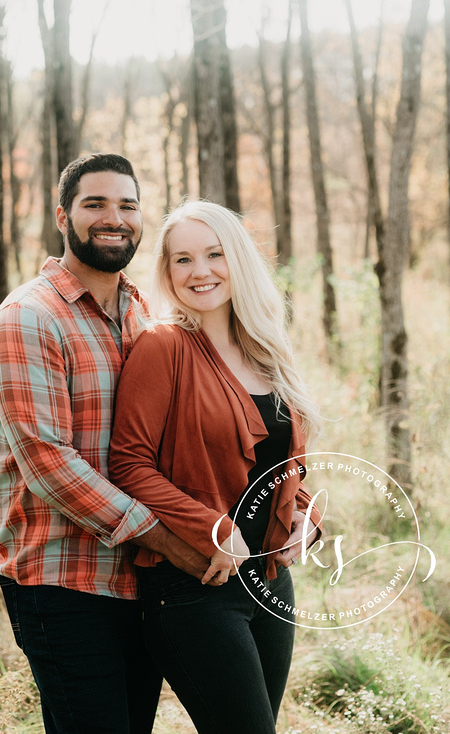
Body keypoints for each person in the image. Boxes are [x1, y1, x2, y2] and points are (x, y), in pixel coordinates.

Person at [0, 153, 209, 734]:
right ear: (63, 216)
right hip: (63, 580)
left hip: (140, 577)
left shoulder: (142, 312)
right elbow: (48, 462)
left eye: (127, 205)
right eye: (96, 204)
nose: (115, 218)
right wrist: (168, 540)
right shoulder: (28, 317)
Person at [109, 200, 324, 734]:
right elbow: (128, 464)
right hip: (195, 585)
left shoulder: (267, 349)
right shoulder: (164, 347)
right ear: (167, 272)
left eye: (214, 254)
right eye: (182, 260)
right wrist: (216, 530)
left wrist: (306, 516)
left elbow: (287, 464)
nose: (199, 271)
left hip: (271, 582)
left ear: (240, 259)